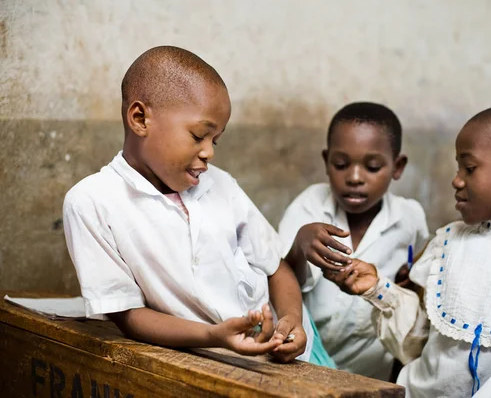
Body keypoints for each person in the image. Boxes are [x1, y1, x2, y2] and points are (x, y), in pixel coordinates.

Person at [324, 104, 491, 397]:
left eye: (469, 168)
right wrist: (378, 289)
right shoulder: (446, 244)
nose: (456, 180)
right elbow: (420, 339)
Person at [63, 46, 308, 362]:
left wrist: (293, 319)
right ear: (140, 119)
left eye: (215, 140)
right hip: (206, 365)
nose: (209, 152)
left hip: (284, 360)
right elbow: (127, 315)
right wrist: (213, 336)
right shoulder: (92, 203)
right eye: (198, 136)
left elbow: (276, 267)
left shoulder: (222, 185)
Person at [279, 102, 429, 380]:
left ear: (397, 167)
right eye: (341, 164)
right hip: (303, 362)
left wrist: (408, 281)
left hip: (369, 371)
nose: (355, 178)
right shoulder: (309, 207)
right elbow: (279, 278)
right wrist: (300, 247)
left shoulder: (409, 218)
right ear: (326, 162)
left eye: (372, 167)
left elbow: (419, 263)